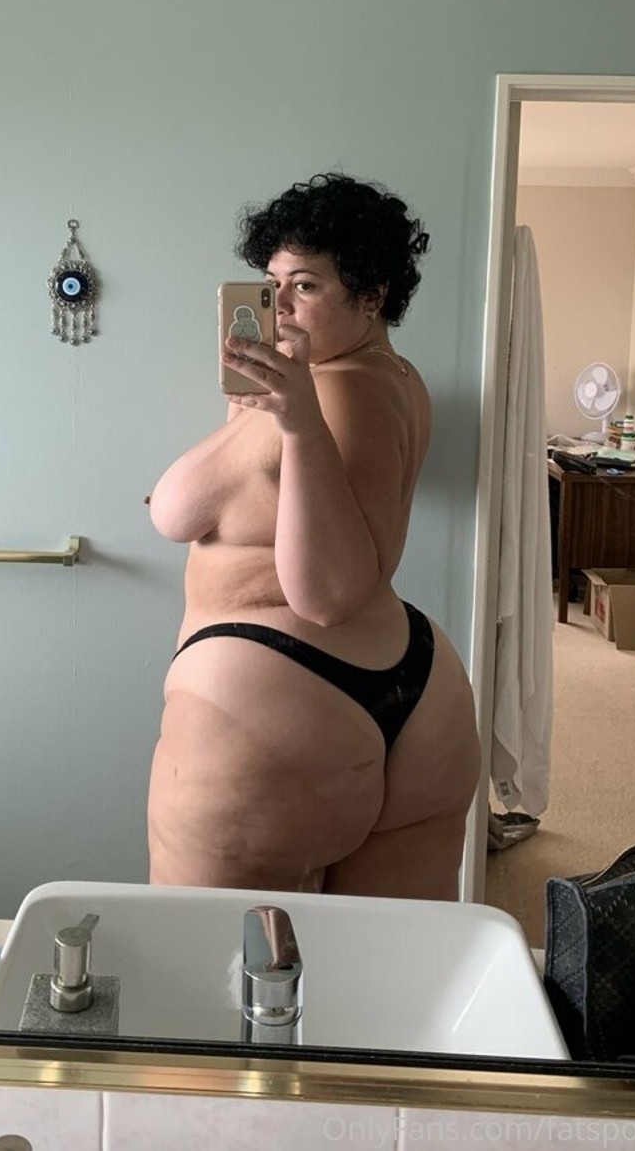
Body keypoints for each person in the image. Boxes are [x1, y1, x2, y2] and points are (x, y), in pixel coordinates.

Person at [146, 172, 481, 900]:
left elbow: (327, 593)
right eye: (272, 286)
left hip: (276, 704)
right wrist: (262, 420)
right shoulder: (393, 378)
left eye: (305, 285)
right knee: (392, 964)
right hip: (420, 694)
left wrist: (295, 419)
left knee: (210, 962)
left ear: (374, 295)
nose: (283, 307)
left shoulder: (322, 394)